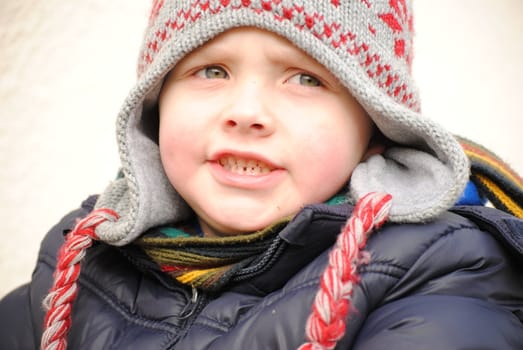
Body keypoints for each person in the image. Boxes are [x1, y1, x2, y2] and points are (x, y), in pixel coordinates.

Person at [1, 1, 522, 349]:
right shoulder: (78, 266)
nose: (246, 110)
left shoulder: (442, 276)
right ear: (156, 107)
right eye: (212, 70)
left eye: (305, 78)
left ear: (375, 126)